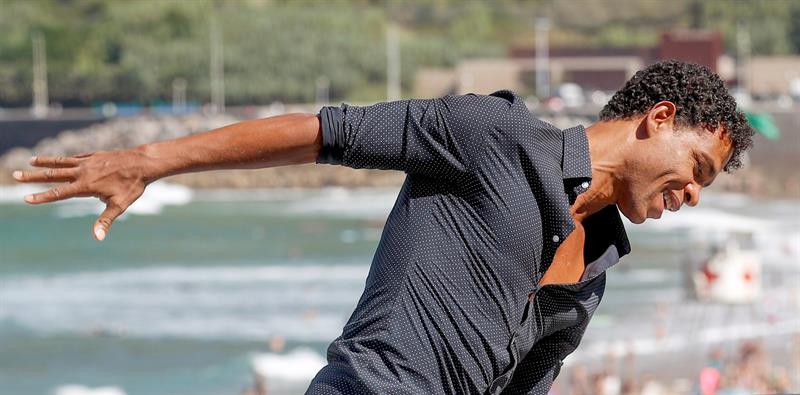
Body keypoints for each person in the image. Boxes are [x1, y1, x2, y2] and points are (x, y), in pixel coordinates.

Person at [12, 60, 754, 394]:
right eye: (697, 166)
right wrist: (148, 161)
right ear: (658, 119)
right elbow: (323, 133)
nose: (692, 193)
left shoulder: (592, 275)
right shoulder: (490, 133)